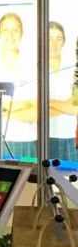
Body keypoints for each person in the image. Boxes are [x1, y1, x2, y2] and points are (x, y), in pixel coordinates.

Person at [0, 11, 36, 160]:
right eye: (6, 30)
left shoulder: (33, 66)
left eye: (15, 30)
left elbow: (34, 113)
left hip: (25, 142)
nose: (11, 35)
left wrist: (1, 109)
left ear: (22, 33)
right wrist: (22, 105)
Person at [48, 21, 78, 162]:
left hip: (70, 137)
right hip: (46, 138)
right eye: (49, 39)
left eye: (58, 39)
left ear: (64, 42)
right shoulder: (35, 69)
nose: (54, 44)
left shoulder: (73, 69)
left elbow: (75, 108)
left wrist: (47, 102)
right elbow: (35, 108)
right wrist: (65, 106)